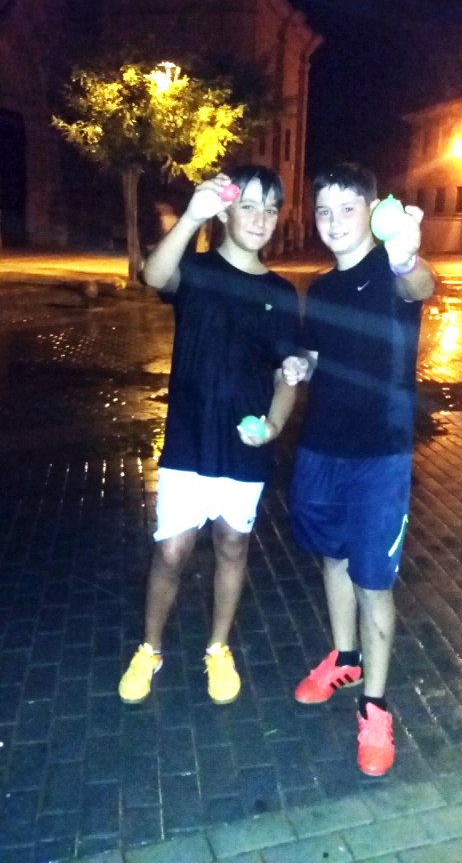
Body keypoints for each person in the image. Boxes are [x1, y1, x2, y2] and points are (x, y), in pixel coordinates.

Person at [119, 165, 300, 706]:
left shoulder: (281, 292)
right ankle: (150, 648)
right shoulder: (196, 271)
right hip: (188, 440)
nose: (261, 218)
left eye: (271, 208)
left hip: (245, 447)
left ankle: (218, 648)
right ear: (225, 212)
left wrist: (274, 424)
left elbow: (286, 372)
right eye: (248, 205)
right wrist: (191, 217)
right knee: (172, 551)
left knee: (232, 544)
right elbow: (154, 275)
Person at [282, 163, 435, 777]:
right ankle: (345, 659)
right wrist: (301, 365)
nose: (334, 220)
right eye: (324, 210)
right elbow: (317, 351)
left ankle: (375, 706)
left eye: (348, 208)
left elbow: (420, 284)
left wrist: (405, 255)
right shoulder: (320, 290)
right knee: (333, 558)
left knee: (374, 580)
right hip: (321, 449)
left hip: (380, 455)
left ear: (372, 211)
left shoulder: (390, 267)